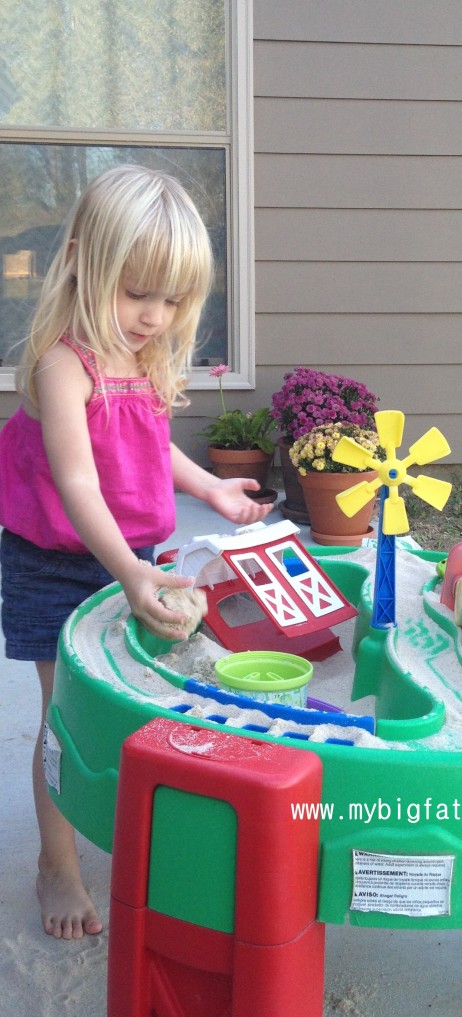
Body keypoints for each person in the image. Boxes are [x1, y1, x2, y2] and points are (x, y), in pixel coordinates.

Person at [0, 165, 273, 940]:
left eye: (173, 299)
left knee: (145, 702)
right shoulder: (64, 364)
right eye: (136, 293)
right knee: (68, 720)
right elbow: (78, 481)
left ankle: (144, 831)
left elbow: (151, 454)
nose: (154, 316)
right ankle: (59, 863)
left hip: (136, 555)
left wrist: (214, 490)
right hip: (57, 562)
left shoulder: (143, 362)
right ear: (85, 262)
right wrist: (128, 570)